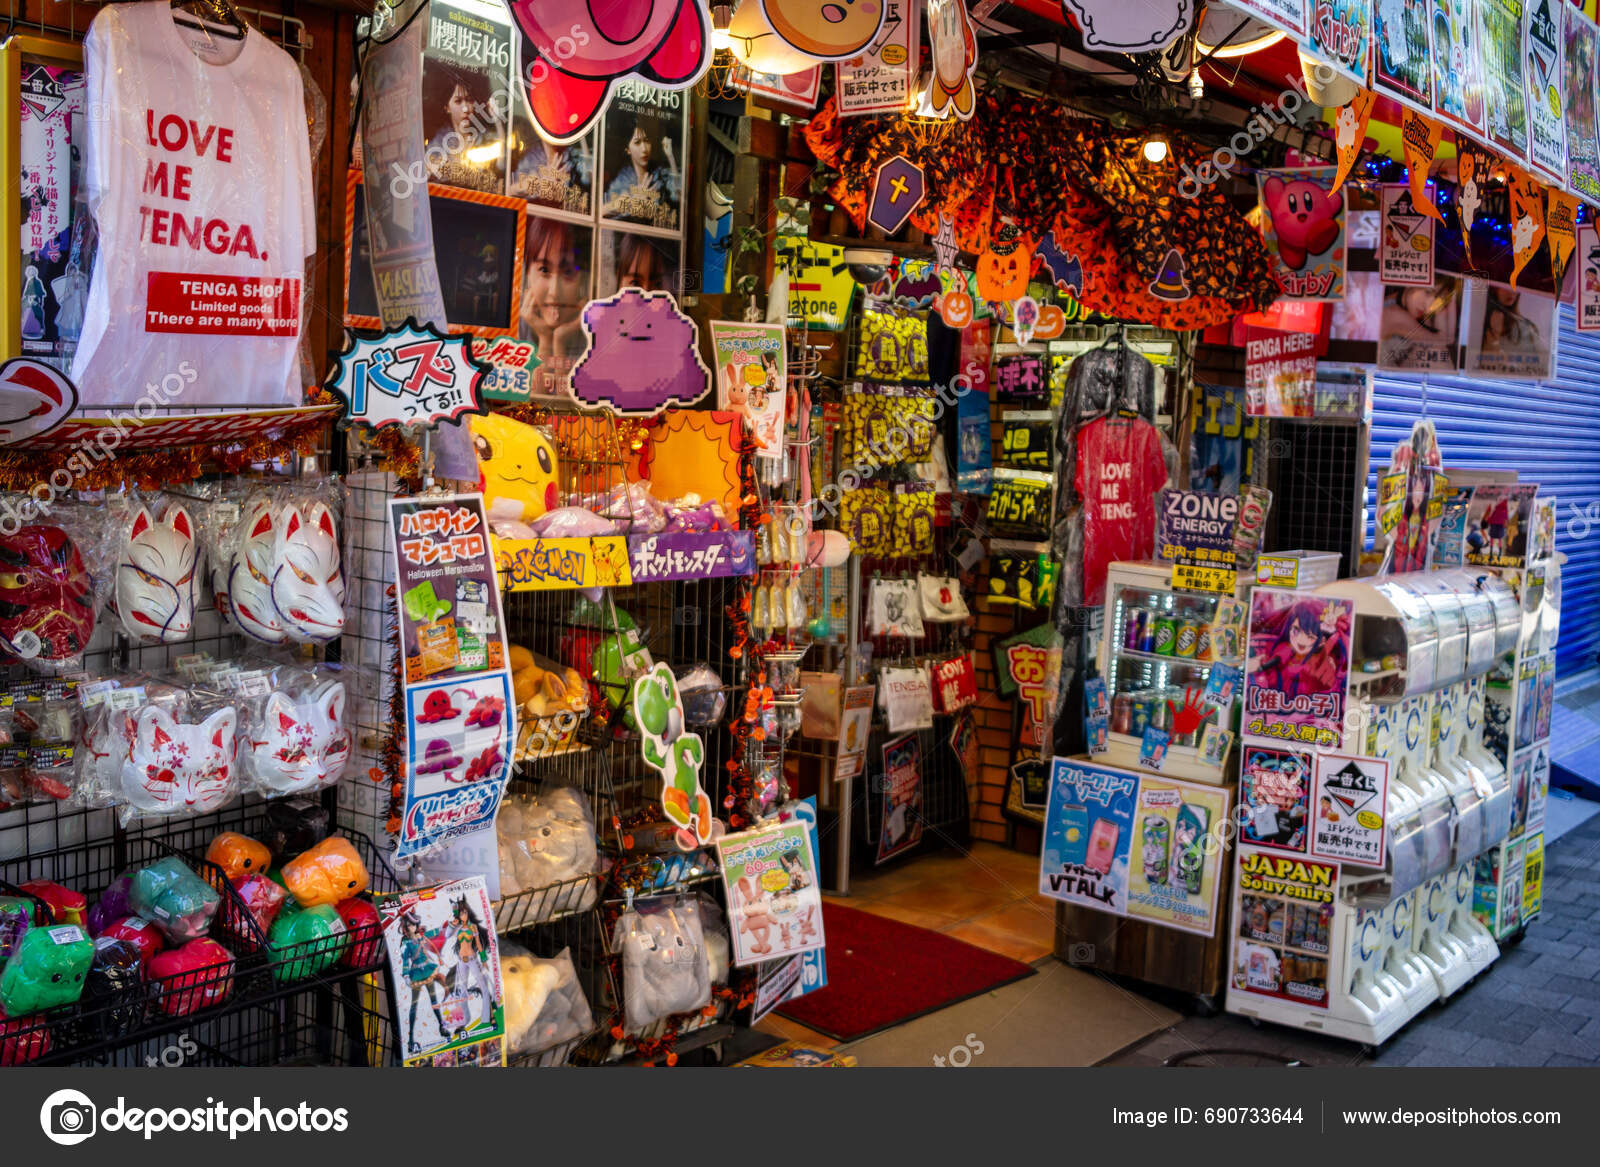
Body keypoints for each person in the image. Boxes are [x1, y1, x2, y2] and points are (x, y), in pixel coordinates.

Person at [519, 217, 590, 396]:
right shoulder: (517, 326)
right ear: (527, 273)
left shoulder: (591, 334)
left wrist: (559, 342)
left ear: (583, 280)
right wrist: (545, 340)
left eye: (568, 272)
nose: (554, 292)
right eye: (544, 270)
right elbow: (530, 405)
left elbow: (568, 408)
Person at [422, 63, 502, 193]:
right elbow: (430, 172)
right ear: (447, 107)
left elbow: (502, 166)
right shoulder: (438, 142)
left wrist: (497, 120)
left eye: (469, 100)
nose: (465, 109)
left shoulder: (485, 139)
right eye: (458, 101)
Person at [603, 119, 680, 227]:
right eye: (637, 142)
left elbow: (679, 196)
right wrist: (633, 202)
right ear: (628, 149)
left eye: (647, 141)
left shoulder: (660, 174)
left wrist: (670, 156)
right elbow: (602, 212)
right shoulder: (621, 180)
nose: (644, 149)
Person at [399, 911, 449, 1056]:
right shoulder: (405, 943)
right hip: (415, 974)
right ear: (405, 927)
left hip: (427, 970)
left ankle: (442, 1026)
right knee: (413, 1005)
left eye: (413, 924)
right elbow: (405, 960)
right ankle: (410, 1039)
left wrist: (442, 927)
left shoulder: (421, 936)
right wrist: (406, 975)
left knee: (434, 999)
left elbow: (433, 933)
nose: (411, 927)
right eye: (409, 925)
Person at [513, 133, 592, 212]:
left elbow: (588, 181)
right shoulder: (531, 157)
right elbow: (512, 190)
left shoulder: (574, 157)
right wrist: (541, 183)